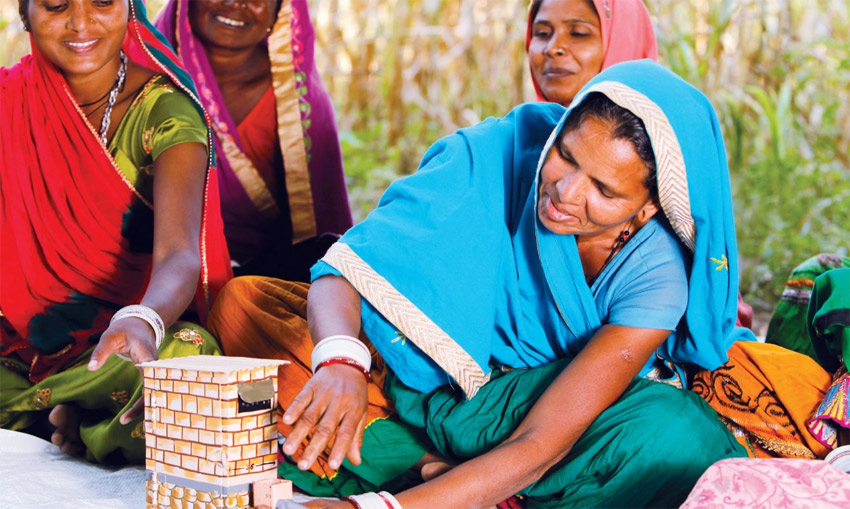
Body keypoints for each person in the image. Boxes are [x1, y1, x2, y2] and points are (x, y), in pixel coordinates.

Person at [209, 60, 753, 507]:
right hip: (418, 379)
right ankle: (451, 477)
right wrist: (340, 362)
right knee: (241, 304)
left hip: (533, 415)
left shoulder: (655, 278)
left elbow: (541, 441)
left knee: (676, 438)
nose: (565, 191)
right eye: (565, 154)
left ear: (650, 205)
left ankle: (433, 476)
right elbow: (350, 267)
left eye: (604, 191)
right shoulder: (496, 154)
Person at [1, 0, 231, 464]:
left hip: (127, 337)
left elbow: (180, 253)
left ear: (130, 8)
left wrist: (140, 319)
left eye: (103, 2)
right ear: (26, 13)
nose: (81, 22)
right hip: (20, 344)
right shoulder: (10, 102)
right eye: (55, 5)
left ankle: (50, 413)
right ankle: (75, 415)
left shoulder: (166, 111)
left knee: (189, 360)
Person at [156, 0, 353, 282]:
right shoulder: (145, 72)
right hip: (153, 270)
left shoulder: (295, 104)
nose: (236, 3)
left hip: (258, 279)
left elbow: (322, 221)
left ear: (279, 11)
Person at [525, 0, 657, 107]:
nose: (552, 48)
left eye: (578, 33)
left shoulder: (666, 137)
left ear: (623, 45)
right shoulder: (514, 136)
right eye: (542, 33)